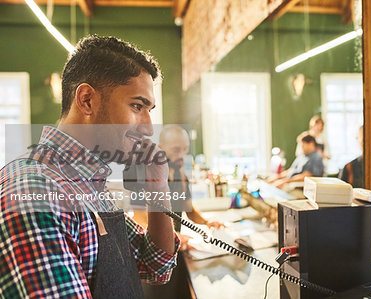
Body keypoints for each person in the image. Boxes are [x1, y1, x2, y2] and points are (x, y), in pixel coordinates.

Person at [0, 35, 179, 298]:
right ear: (86, 100)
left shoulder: (88, 181)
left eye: (148, 109)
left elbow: (156, 267)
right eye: (137, 106)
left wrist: (158, 184)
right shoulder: (35, 189)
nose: (149, 127)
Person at [144, 124, 224, 298]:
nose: (181, 155)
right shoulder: (147, 176)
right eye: (176, 150)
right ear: (161, 147)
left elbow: (188, 208)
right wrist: (175, 237)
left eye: (185, 150)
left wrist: (206, 221)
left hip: (176, 251)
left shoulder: (181, 174)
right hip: (156, 259)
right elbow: (141, 223)